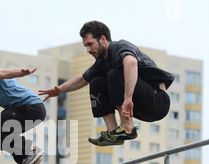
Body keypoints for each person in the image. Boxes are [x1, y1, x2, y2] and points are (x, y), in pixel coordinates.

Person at [39, 21, 175, 146]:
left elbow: (131, 63)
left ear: (103, 39)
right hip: (141, 106)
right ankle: (114, 132)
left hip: (157, 101)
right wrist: (60, 90)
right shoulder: (101, 63)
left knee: (115, 73)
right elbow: (82, 79)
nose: (88, 50)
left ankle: (127, 128)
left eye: (90, 44)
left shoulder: (119, 47)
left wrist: (128, 98)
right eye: (86, 46)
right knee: (96, 82)